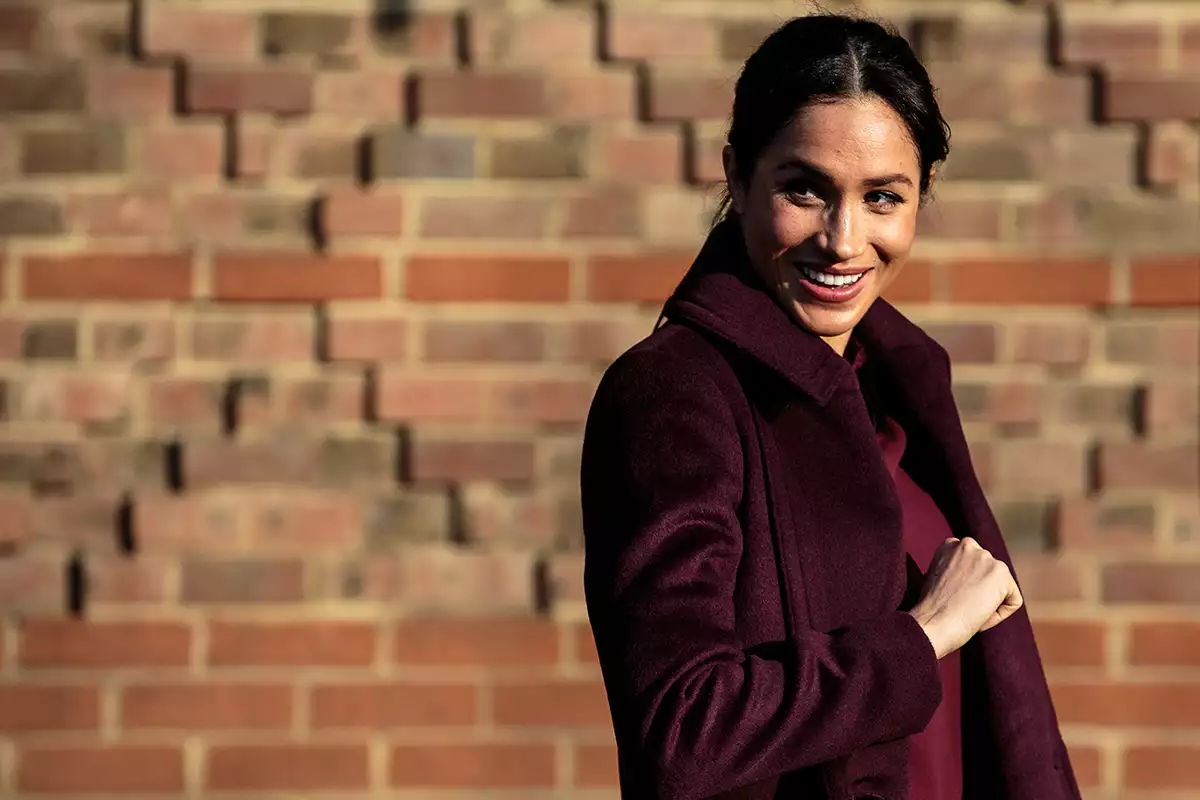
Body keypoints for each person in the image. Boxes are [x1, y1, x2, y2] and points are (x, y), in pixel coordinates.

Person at [579, 13, 1081, 800]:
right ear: (738, 177)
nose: (844, 241)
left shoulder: (899, 385)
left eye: (883, 197)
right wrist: (922, 636)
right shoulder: (677, 392)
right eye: (805, 190)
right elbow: (680, 730)